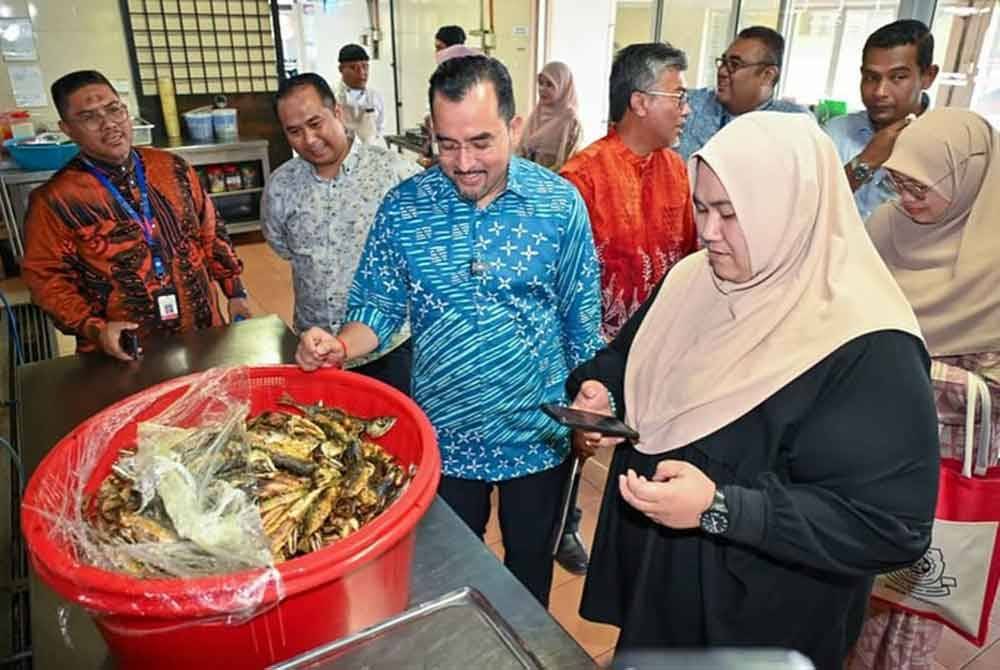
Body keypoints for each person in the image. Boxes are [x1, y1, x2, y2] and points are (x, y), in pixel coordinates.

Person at [566, 112, 939, 669]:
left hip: (763, 614)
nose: (709, 232)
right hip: (664, 580)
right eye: (701, 208)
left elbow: (889, 525)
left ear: (791, 214)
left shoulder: (867, 343)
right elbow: (631, 355)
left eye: (731, 214)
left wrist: (721, 507)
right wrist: (602, 388)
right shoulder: (695, 279)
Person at [294, 55, 603, 606]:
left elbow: (581, 323)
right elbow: (378, 308)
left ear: (514, 127)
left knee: (529, 569)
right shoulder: (404, 208)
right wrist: (340, 344)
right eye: (447, 144)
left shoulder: (559, 206)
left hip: (539, 434)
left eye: (481, 142)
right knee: (447, 575)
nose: (463, 163)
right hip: (444, 436)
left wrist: (593, 397)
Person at [849, 108, 1000, 670]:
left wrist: (909, 370)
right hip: (868, 441)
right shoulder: (887, 226)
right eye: (899, 181)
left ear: (966, 179)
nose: (906, 198)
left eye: (921, 186)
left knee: (914, 596)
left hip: (946, 462)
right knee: (852, 575)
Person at [557, 42, 698, 574]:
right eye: (677, 96)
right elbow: (565, 281)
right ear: (640, 102)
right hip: (594, 347)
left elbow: (688, 257)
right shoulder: (582, 178)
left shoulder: (678, 171)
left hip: (660, 341)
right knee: (579, 446)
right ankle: (564, 523)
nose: (686, 109)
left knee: (650, 449)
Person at [22, 70, 250, 361]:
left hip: (203, 333)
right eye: (89, 117)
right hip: (123, 351)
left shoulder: (173, 168)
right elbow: (46, 280)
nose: (109, 124)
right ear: (67, 129)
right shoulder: (54, 200)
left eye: (114, 109)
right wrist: (93, 328)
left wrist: (236, 292)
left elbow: (211, 231)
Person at [262, 73, 420, 395]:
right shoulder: (281, 186)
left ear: (337, 112)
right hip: (314, 350)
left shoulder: (396, 174)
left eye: (315, 123)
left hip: (389, 349)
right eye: (294, 131)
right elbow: (282, 246)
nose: (309, 139)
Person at [825, 19, 939, 221]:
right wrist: (865, 162)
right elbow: (811, 206)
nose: (879, 92)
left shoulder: (946, 144)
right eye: (871, 77)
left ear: (928, 76)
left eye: (898, 77)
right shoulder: (836, 131)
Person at [675, 26, 808, 160]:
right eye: (723, 62)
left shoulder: (795, 123)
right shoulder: (689, 105)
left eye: (734, 64)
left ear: (767, 75)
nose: (721, 72)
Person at [516, 61, 582, 172]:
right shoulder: (536, 114)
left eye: (549, 84)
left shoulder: (570, 121)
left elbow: (568, 164)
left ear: (563, 86)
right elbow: (522, 151)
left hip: (552, 184)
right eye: (541, 83)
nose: (542, 89)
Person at [335, 44, 384, 140]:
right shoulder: (331, 97)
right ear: (341, 69)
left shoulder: (375, 97)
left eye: (365, 67)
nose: (361, 73)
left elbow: (379, 128)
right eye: (354, 68)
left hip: (370, 152)